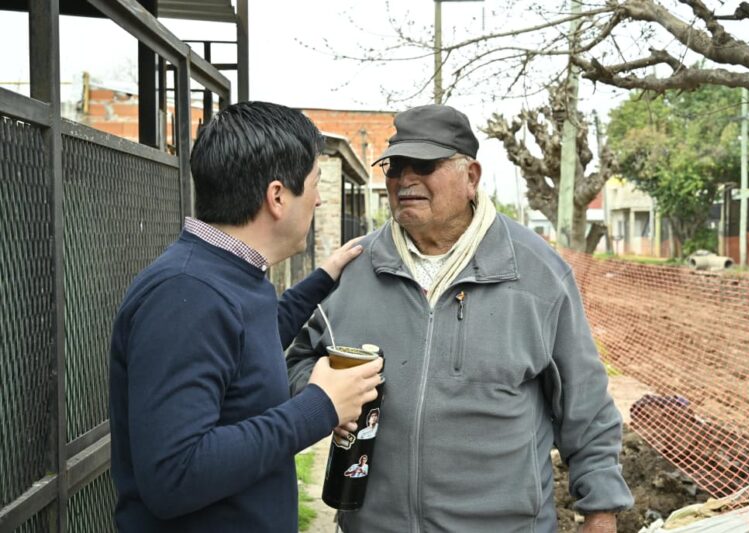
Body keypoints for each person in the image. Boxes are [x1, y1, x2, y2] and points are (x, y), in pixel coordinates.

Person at [286, 104, 633, 532]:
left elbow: (587, 405)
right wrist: (324, 396)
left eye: (425, 164)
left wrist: (600, 513)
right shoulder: (353, 270)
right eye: (396, 166)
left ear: (471, 177)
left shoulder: (537, 273)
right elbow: (295, 361)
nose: (405, 179)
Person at [108, 101, 383, 533]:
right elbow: (174, 475)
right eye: (313, 184)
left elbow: (244, 350)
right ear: (277, 197)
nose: (319, 198)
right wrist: (320, 407)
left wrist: (323, 278)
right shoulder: (186, 294)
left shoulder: (230, 274)